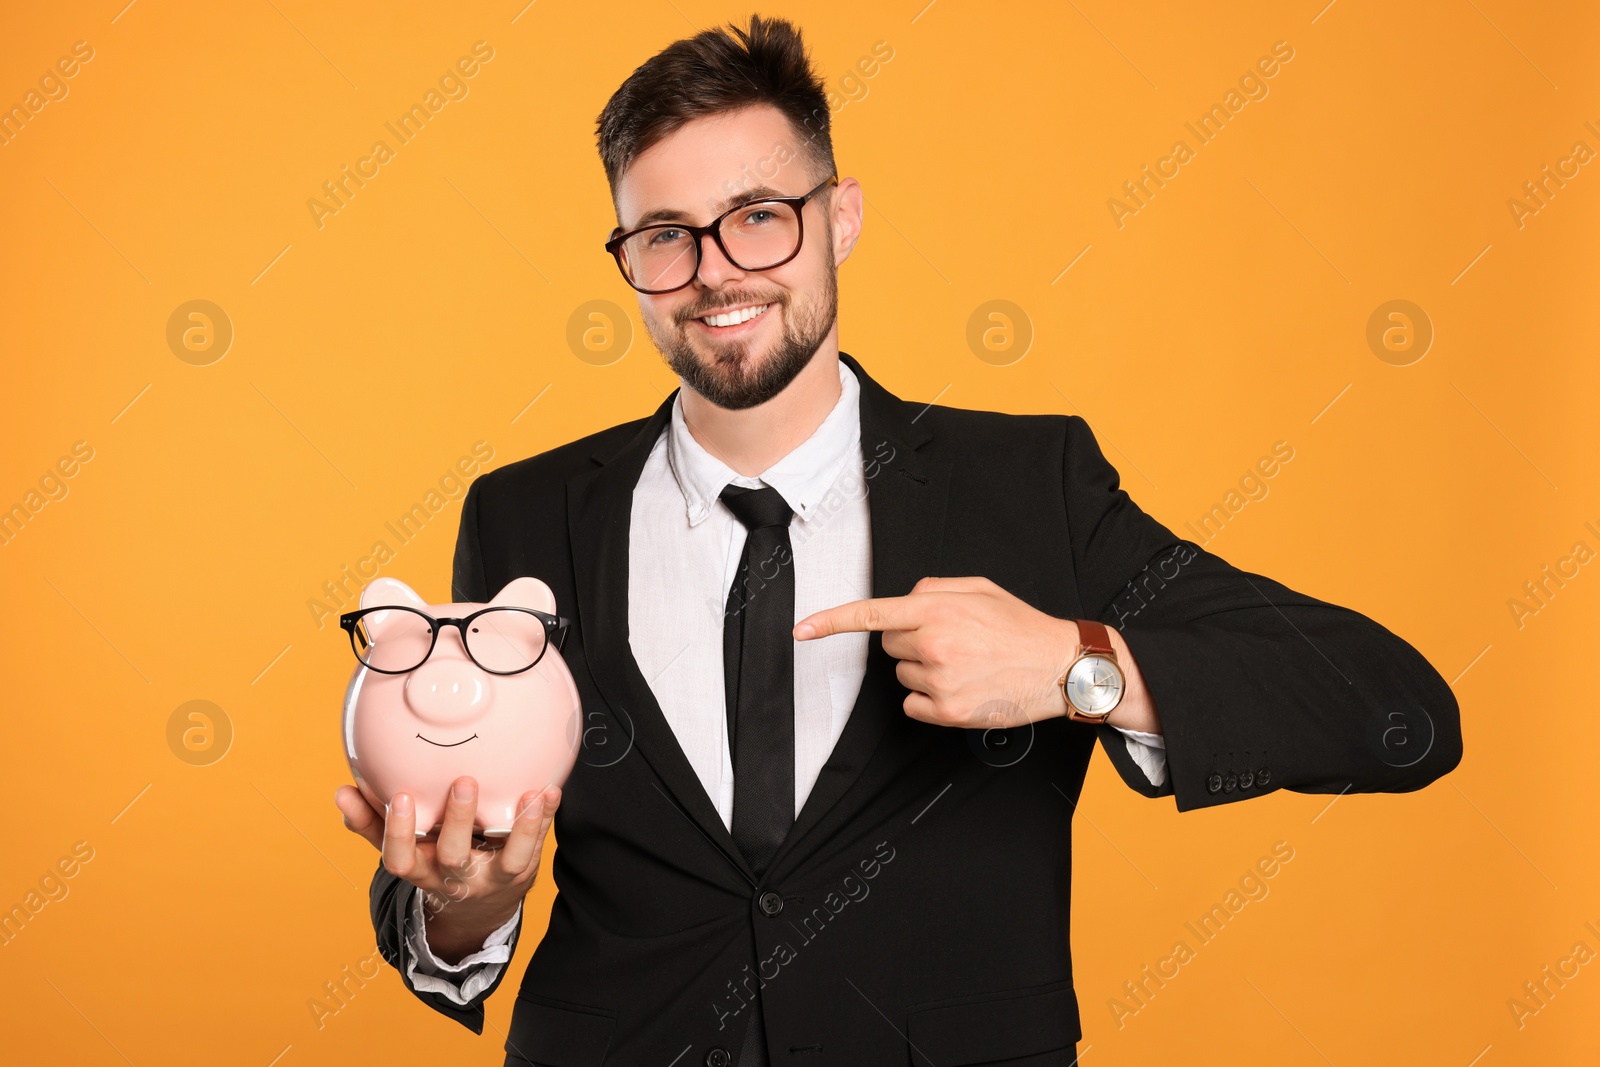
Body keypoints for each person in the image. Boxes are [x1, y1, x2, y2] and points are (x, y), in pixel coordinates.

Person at [334, 15, 1462, 1065]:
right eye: (665, 236)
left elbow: (1396, 713)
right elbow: (452, 848)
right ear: (627, 259)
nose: (717, 270)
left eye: (761, 216)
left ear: (843, 217)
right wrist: (461, 905)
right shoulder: (525, 513)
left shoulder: (1028, 484)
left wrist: (1078, 666)